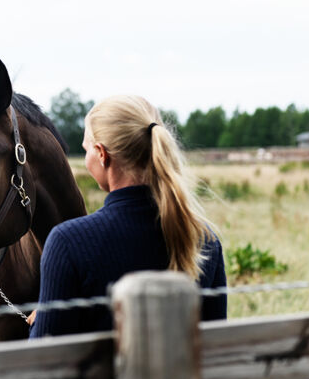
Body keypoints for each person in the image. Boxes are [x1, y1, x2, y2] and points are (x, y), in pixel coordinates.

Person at [29, 95, 227, 338]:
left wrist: (40, 320)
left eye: (86, 149)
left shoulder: (68, 242)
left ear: (102, 154)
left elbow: (46, 357)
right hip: (182, 377)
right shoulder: (204, 239)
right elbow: (213, 344)